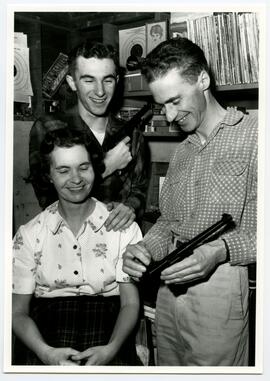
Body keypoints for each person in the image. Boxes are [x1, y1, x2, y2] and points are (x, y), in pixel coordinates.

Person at [123, 37, 257, 366]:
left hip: (220, 283)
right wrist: (144, 249)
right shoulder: (183, 151)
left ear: (203, 80)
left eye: (174, 101)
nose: (168, 117)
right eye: (161, 106)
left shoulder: (256, 136)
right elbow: (169, 223)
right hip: (169, 287)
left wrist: (219, 250)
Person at [12, 128, 142, 365]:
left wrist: (111, 350)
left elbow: (130, 303)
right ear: (49, 175)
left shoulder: (123, 227)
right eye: (63, 170)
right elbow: (17, 312)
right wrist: (45, 353)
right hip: (46, 333)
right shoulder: (29, 235)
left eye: (84, 167)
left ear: (94, 167)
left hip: (111, 329)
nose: (76, 179)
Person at [29, 40, 148, 232]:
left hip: (116, 241)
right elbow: (47, 198)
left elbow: (139, 190)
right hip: (66, 239)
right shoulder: (48, 128)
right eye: (89, 80)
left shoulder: (132, 135)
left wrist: (130, 208)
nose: (100, 91)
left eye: (107, 80)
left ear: (116, 82)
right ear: (72, 82)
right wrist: (105, 166)